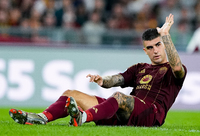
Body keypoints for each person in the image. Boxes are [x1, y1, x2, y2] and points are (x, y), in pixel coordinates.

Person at [9, 14, 187, 127]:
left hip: (150, 115)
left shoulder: (174, 69)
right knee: (71, 94)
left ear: (164, 45)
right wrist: (103, 81)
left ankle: (83, 117)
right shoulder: (140, 68)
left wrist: (165, 35)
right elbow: (118, 79)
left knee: (119, 97)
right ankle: (41, 117)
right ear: (145, 50)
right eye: (150, 47)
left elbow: (177, 67)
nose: (155, 50)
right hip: (123, 114)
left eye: (158, 45)